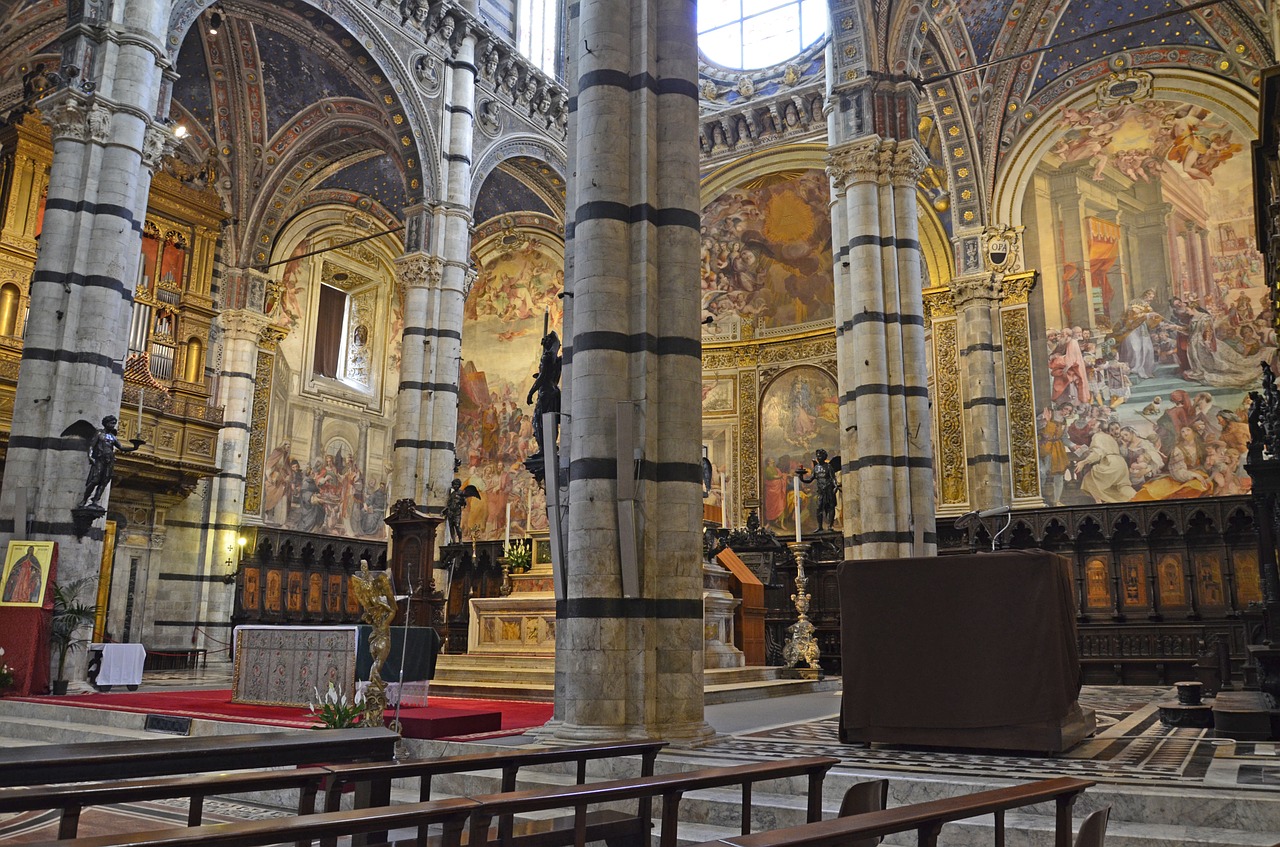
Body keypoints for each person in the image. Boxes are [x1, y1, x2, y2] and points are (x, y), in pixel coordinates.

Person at [81, 415, 144, 506]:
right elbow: (91, 446)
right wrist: (90, 456)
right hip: (100, 459)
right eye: (111, 423)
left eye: (114, 423)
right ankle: (84, 499)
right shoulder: (99, 433)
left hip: (109, 460)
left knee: (104, 481)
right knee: (95, 480)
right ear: (106, 423)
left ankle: (95, 500)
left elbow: (121, 447)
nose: (113, 425)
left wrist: (134, 448)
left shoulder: (113, 437)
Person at [796, 448, 839, 532]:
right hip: (821, 491)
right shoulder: (816, 468)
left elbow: (833, 478)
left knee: (831, 507)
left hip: (829, 490)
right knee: (819, 508)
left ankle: (830, 526)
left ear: (824, 457)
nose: (818, 458)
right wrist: (801, 477)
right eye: (817, 456)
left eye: (820, 456)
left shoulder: (828, 466)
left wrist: (835, 486)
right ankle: (820, 527)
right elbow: (810, 480)